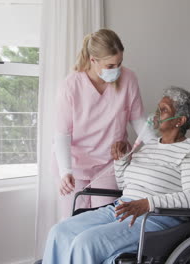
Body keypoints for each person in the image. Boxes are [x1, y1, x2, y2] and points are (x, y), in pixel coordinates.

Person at [43, 87, 190, 263]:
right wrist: (120, 160)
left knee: (86, 243)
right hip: (123, 208)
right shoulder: (150, 146)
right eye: (158, 108)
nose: (156, 114)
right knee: (59, 232)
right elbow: (125, 186)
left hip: (155, 218)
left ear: (180, 121)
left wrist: (148, 204)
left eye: (164, 110)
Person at [53, 29, 155, 218]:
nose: (116, 70)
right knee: (73, 221)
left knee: (105, 219)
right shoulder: (70, 86)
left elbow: (139, 121)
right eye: (110, 65)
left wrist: (160, 150)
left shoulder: (129, 79)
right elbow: (62, 134)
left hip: (109, 164)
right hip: (75, 165)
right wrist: (65, 171)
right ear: (93, 60)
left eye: (119, 63)